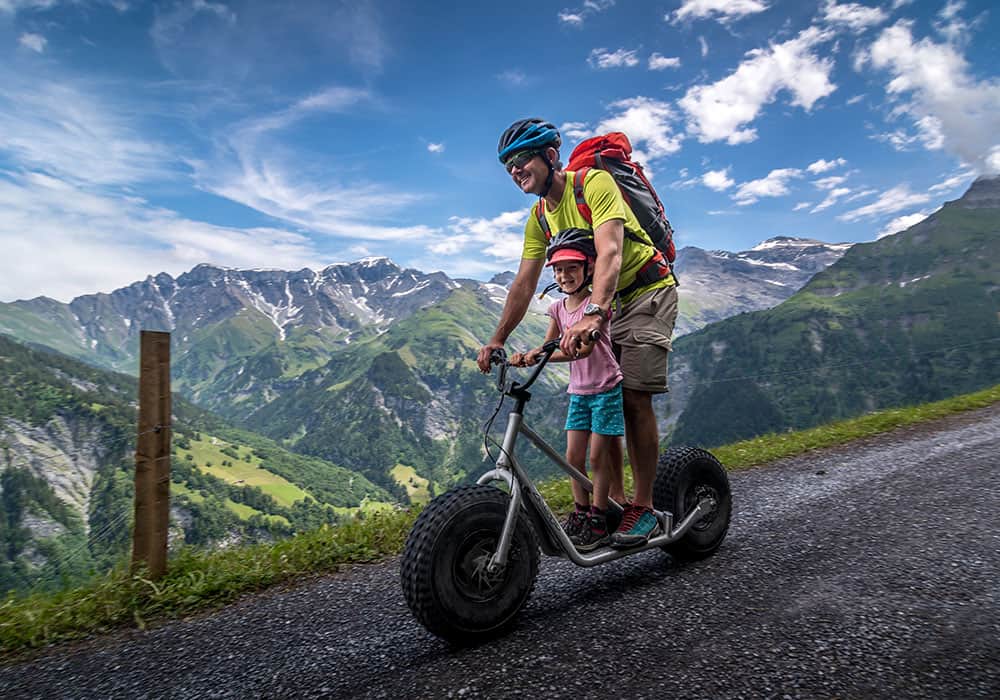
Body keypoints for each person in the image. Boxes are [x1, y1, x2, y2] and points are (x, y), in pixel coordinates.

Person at [477, 118, 678, 548]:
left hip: (644, 291)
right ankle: (613, 505)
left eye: (521, 159)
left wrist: (594, 314)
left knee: (632, 396)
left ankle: (642, 508)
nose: (514, 170)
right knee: (605, 401)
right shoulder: (539, 218)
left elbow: (610, 250)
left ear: (551, 156)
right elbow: (525, 282)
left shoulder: (594, 184)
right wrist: (498, 338)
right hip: (602, 304)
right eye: (507, 165)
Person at [510, 229, 623, 551]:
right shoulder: (558, 309)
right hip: (579, 392)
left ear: (588, 268)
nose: (564, 275)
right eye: (559, 270)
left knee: (598, 456)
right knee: (573, 457)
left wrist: (539, 355)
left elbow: (581, 350)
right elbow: (549, 344)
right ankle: (581, 512)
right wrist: (528, 355)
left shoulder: (595, 306)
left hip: (605, 389)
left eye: (571, 268)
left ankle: (600, 518)